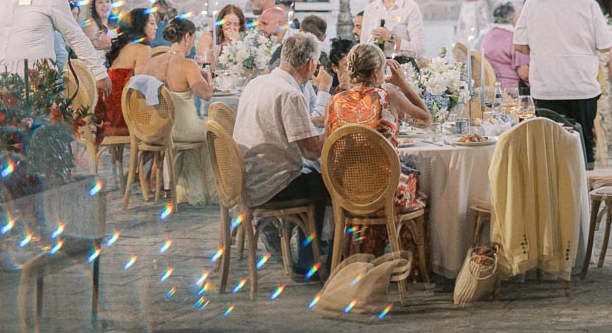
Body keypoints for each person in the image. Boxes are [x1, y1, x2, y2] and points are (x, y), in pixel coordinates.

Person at [233, 31, 328, 277]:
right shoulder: (290, 94)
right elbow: (312, 149)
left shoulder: (258, 82)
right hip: (272, 183)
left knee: (313, 177)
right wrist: (337, 127)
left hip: (246, 175)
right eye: (316, 64)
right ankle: (312, 259)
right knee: (325, 184)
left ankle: (312, 245)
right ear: (310, 64)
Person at [324, 44, 430, 255]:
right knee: (424, 186)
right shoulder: (389, 97)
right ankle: (413, 266)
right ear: (375, 72)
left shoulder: (333, 102)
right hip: (385, 194)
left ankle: (363, 252)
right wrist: (403, 84)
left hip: (345, 191)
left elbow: (329, 147)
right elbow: (426, 120)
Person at [513, 0, 612, 167]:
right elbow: (605, 45)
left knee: (549, 148)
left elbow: (519, 45)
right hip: (581, 87)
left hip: (546, 87)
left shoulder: (533, 3)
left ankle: (551, 194)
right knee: (583, 145)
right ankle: (584, 190)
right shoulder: (588, 5)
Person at [146, 17, 215, 204]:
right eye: (193, 38)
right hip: (182, 129)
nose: (193, 43)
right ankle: (214, 186)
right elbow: (206, 94)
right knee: (218, 129)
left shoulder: (152, 62)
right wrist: (207, 76)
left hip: (159, 127)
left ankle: (184, 186)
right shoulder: (188, 64)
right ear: (186, 37)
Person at [98, 8, 158, 141]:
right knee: (168, 120)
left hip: (109, 113)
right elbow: (143, 89)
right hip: (125, 116)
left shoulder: (123, 47)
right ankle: (153, 162)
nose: (156, 27)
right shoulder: (144, 49)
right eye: (152, 23)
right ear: (140, 26)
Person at [480, 2, 529, 93]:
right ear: (513, 19)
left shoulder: (487, 36)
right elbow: (524, 74)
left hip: (490, 88)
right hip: (511, 91)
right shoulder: (514, 39)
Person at [197, 4, 246, 70]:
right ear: (221, 25)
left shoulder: (244, 41)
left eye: (236, 25)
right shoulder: (208, 37)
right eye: (228, 24)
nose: (232, 28)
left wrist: (237, 43)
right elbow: (203, 67)